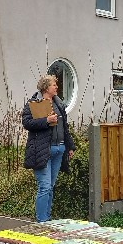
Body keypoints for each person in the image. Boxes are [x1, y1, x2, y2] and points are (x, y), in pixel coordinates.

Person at [22, 74, 75, 222]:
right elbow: (27, 123)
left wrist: (69, 146)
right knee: (44, 187)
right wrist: (46, 120)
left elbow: (65, 127)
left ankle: (47, 218)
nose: (56, 87)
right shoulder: (34, 103)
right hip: (42, 150)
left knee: (50, 187)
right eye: (54, 85)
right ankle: (41, 221)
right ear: (46, 87)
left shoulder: (58, 103)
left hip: (59, 149)